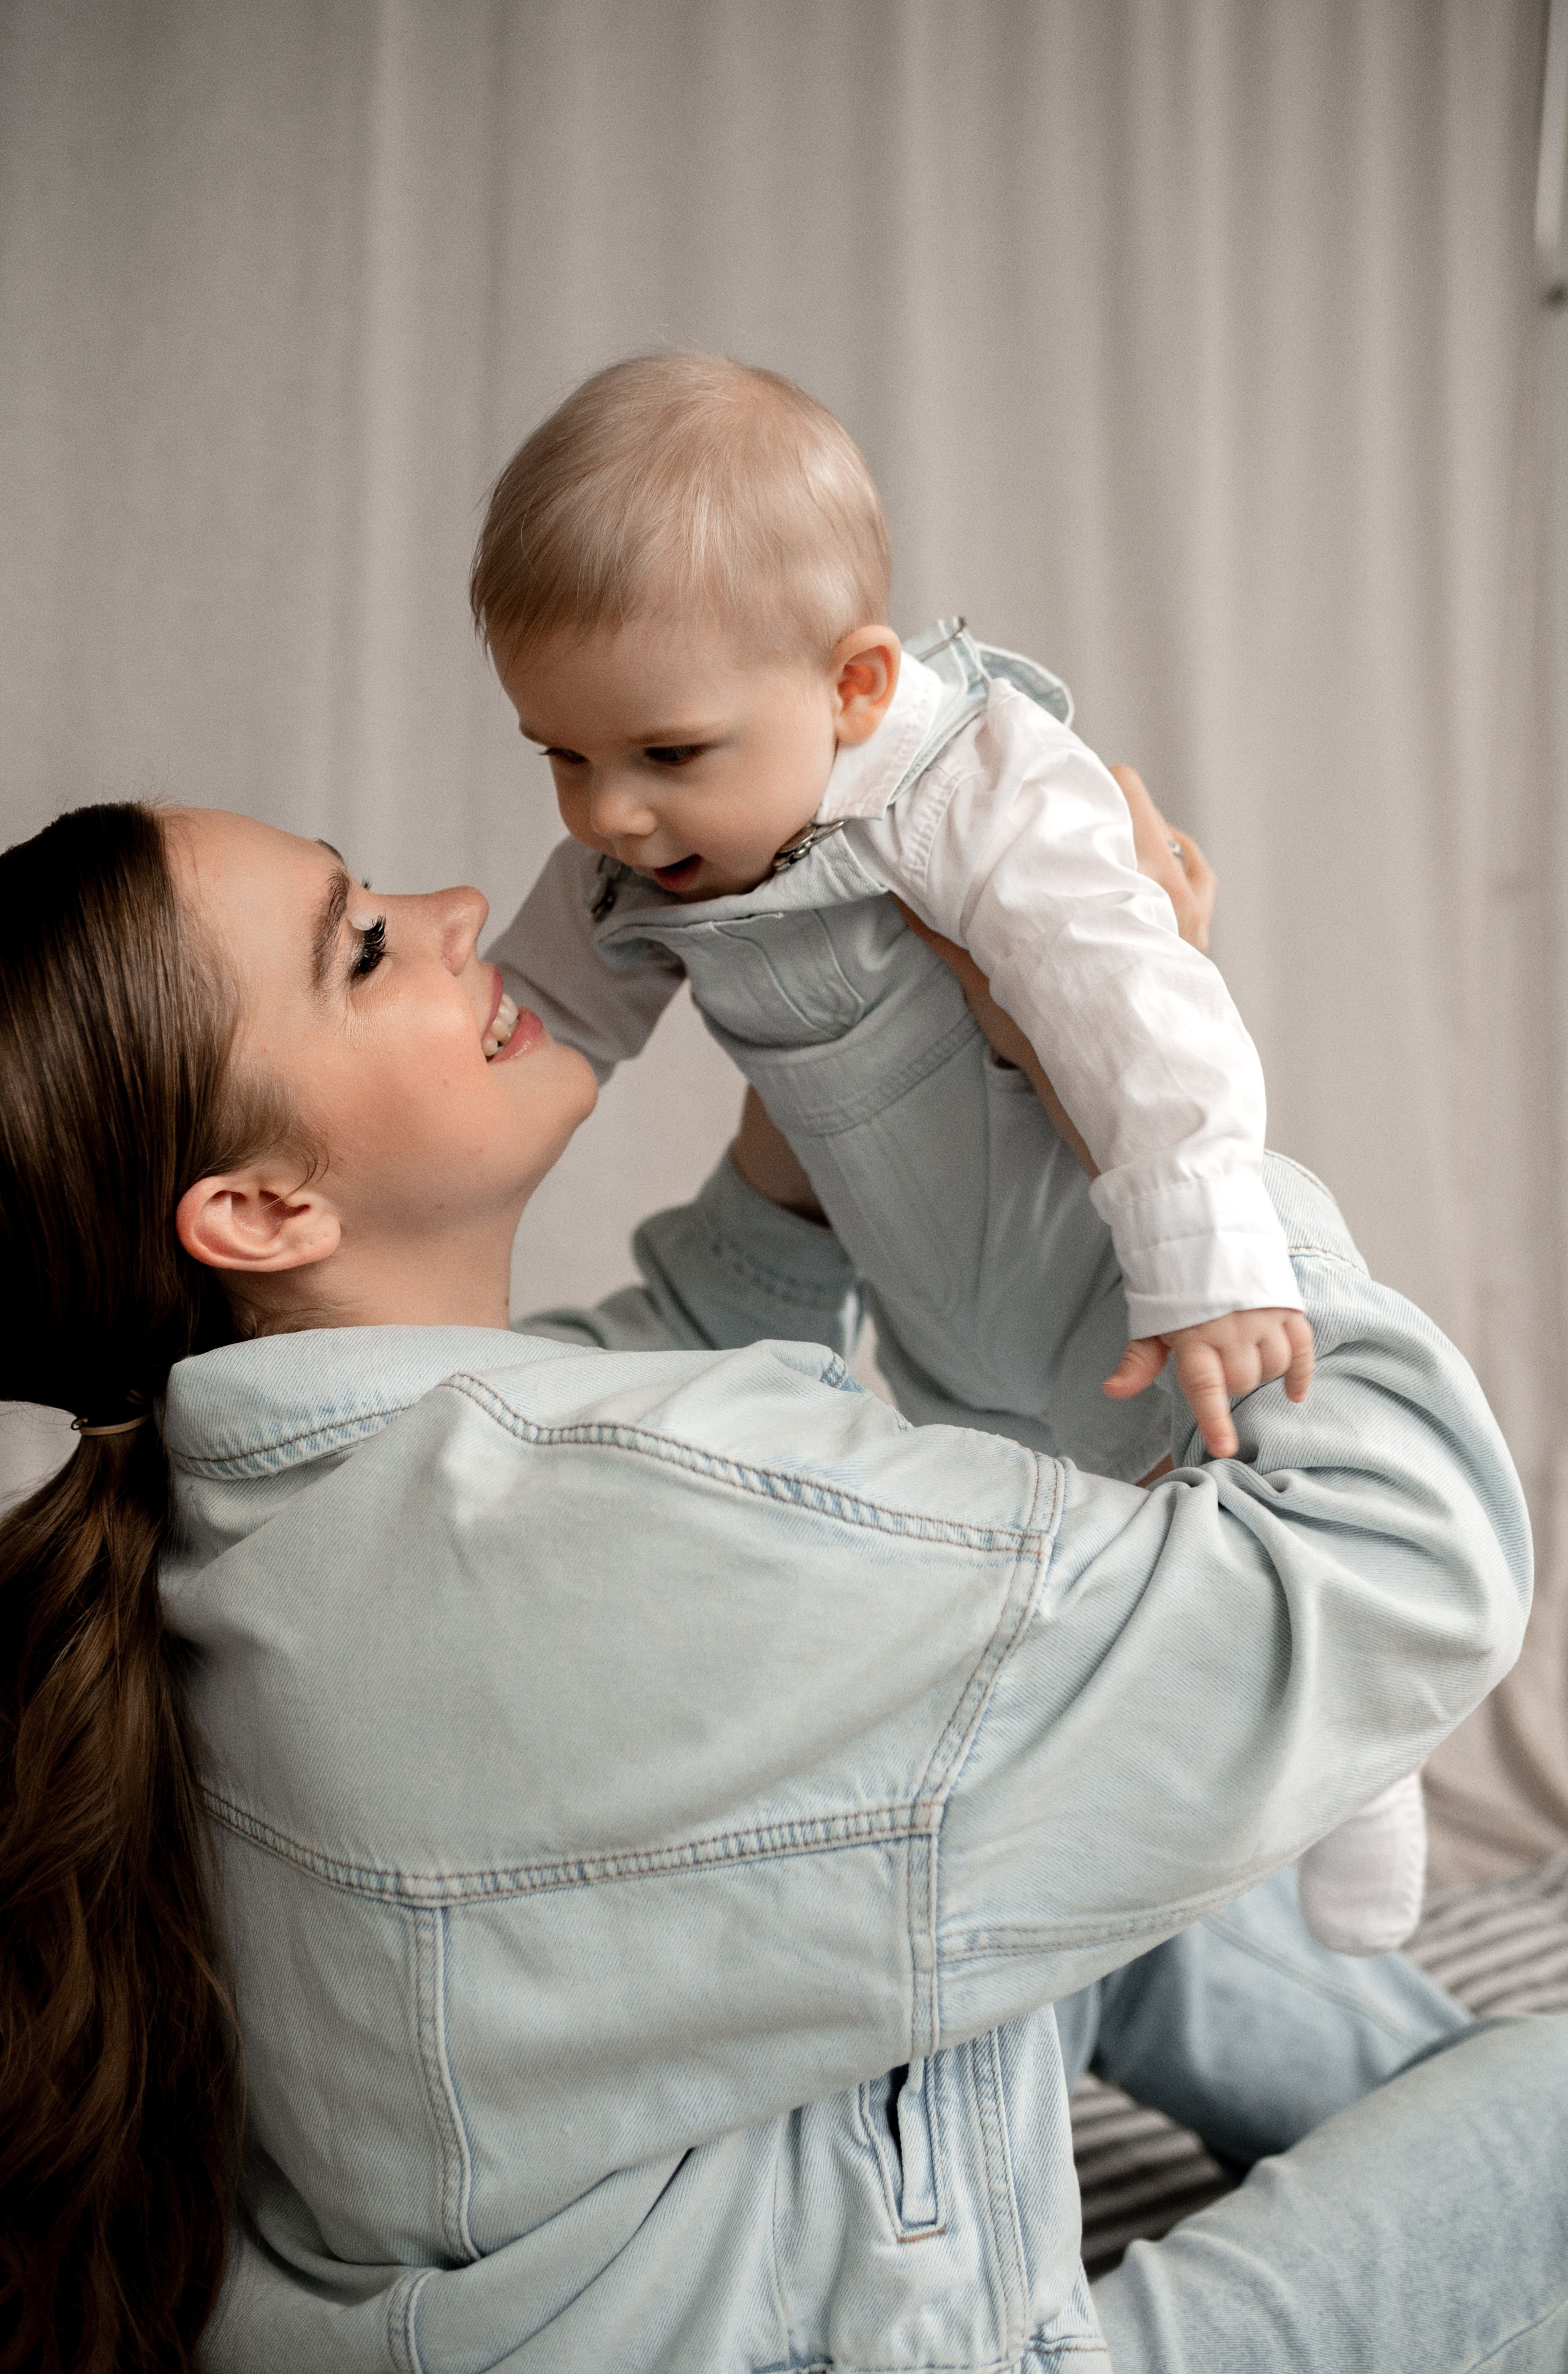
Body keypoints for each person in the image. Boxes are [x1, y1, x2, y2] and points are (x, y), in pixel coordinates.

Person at [0, 797, 1562, 2374]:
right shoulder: (582, 1526)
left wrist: (835, 1029)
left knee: (1101, 1859)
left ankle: (1437, 2129)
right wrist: (1158, 1116)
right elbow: (1396, 1570)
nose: (464, 904)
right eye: (365, 945)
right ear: (262, 1211)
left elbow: (672, 1344)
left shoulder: (261, 1513)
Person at [471, 352, 1419, 1958]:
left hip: (1110, 1234)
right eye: (562, 756)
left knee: (1254, 1482)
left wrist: (1200, 1244)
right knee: (1063, 1571)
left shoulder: (974, 781)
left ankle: (1365, 1737)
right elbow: (545, 1019)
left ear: (849, 688)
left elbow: (1134, 996)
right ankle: (1169, 1849)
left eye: (667, 755)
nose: (613, 813)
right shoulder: (645, 847)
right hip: (933, 1294)